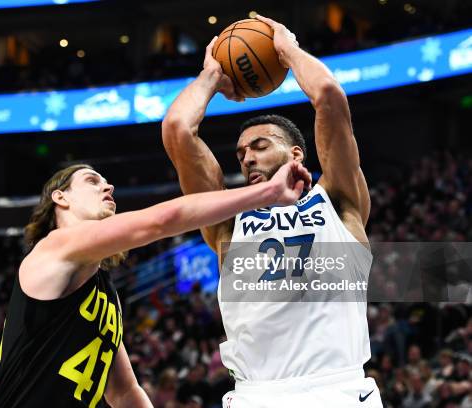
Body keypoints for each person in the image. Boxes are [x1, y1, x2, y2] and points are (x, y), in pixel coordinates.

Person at [162, 15, 382, 408]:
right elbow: (178, 128)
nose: (247, 158)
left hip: (341, 388)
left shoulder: (338, 201)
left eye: (260, 146)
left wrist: (287, 50)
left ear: (296, 153)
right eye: (242, 153)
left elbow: (329, 95)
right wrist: (211, 75)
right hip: (259, 394)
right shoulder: (227, 221)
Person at [0, 161, 311, 408]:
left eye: (106, 182)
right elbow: (161, 220)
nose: (109, 186)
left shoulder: (105, 294)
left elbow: (125, 393)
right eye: (92, 181)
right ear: (60, 198)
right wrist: (267, 193)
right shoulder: (54, 247)